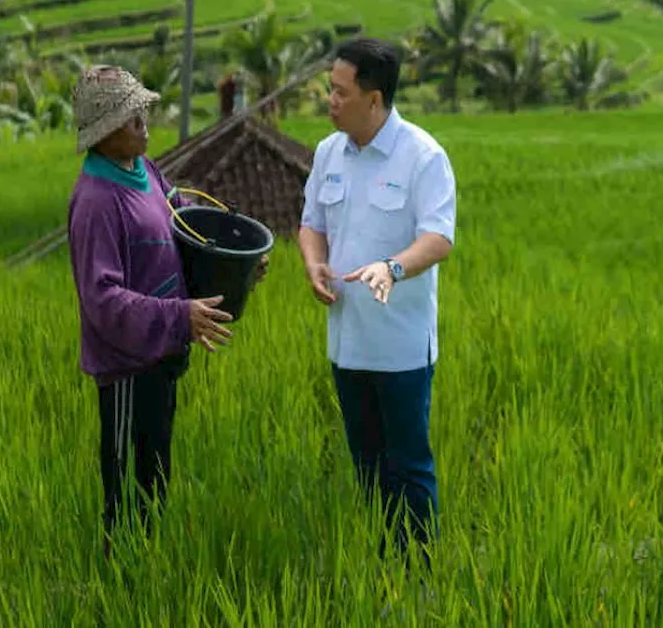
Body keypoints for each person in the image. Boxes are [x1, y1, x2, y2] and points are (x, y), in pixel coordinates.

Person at [66, 65, 268, 553]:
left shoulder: (144, 171)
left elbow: (181, 220)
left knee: (154, 481)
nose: (145, 126)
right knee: (126, 494)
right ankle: (119, 586)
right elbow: (103, 299)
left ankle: (149, 573)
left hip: (161, 358)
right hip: (127, 369)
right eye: (135, 119)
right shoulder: (97, 200)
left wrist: (235, 268)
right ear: (107, 131)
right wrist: (179, 316)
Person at [298, 38, 456, 566]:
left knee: (408, 465)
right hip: (346, 341)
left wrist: (391, 267)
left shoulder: (423, 156)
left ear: (374, 98)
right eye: (329, 90)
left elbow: (438, 238)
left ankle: (420, 574)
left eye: (341, 92)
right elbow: (311, 225)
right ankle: (385, 563)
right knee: (366, 464)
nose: (330, 100)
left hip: (401, 346)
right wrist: (314, 262)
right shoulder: (327, 153)